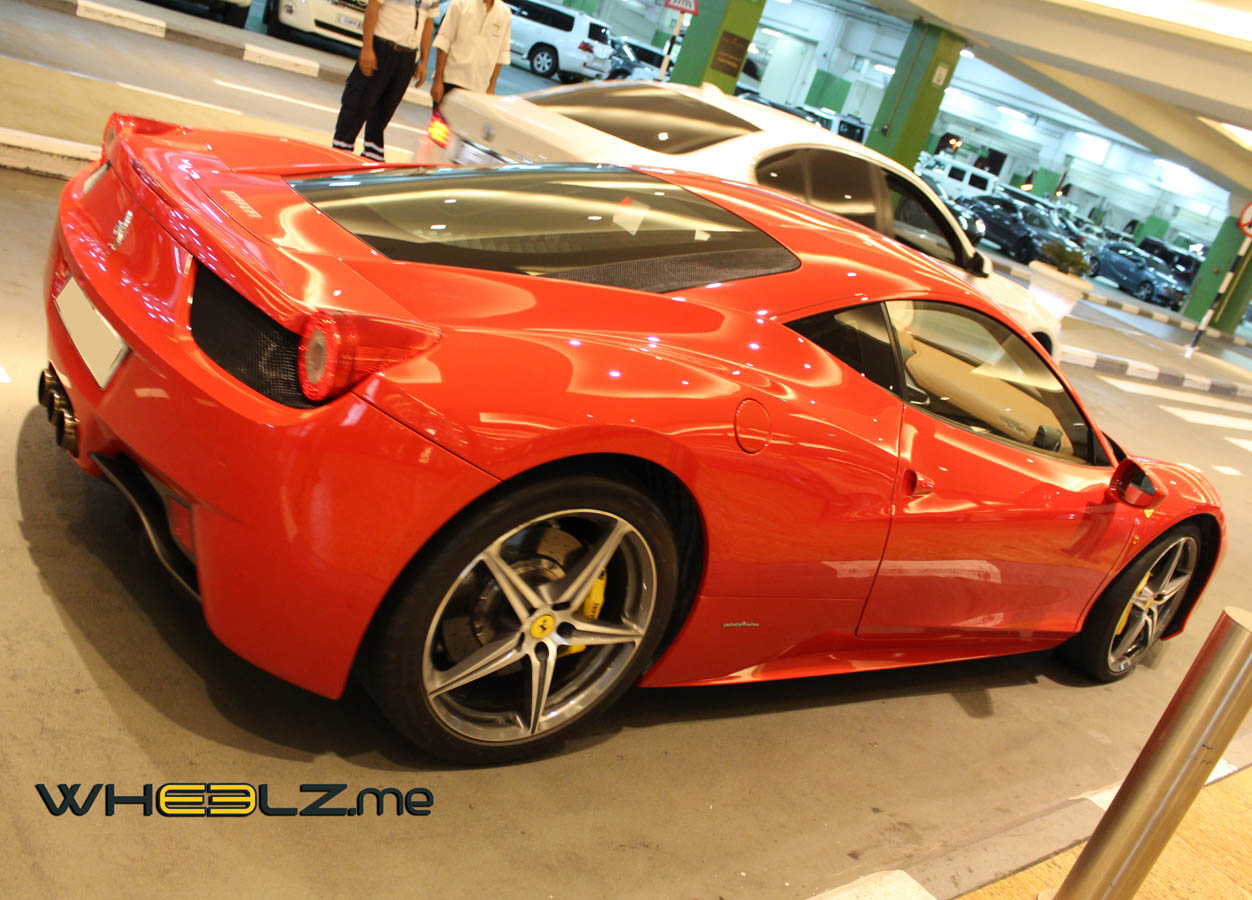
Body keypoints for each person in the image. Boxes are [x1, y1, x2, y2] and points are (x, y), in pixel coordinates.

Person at [333, 0, 440, 162]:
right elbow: (373, 6)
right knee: (357, 105)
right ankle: (339, 154)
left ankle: (371, 158)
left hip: (407, 56)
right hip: (381, 47)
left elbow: (428, 23)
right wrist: (367, 47)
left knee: (383, 113)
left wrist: (424, 61)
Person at [430, 0, 512, 105]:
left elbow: (501, 55)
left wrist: (491, 88)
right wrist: (438, 80)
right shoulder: (460, 3)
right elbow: (444, 41)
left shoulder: (504, 13)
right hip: (450, 80)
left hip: (479, 89)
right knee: (440, 121)